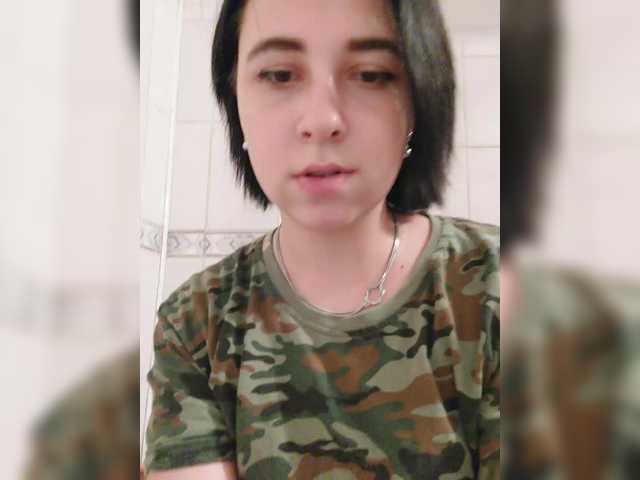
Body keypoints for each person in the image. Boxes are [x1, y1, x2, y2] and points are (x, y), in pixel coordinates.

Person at [143, 1, 499, 479]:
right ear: (235, 102)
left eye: (371, 75)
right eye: (279, 75)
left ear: (418, 100)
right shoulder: (195, 324)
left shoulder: (500, 287)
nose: (322, 119)